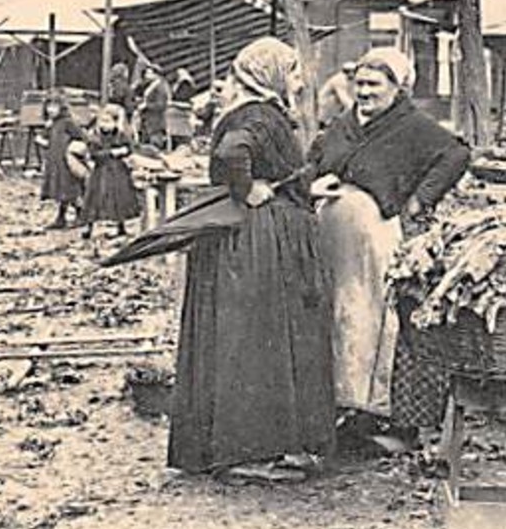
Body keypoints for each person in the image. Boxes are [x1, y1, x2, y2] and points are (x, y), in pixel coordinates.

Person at [168, 38, 334, 480]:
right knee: (258, 341)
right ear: (269, 73)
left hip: (254, 238)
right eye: (293, 72)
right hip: (258, 244)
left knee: (257, 338)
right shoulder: (259, 114)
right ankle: (250, 451)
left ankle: (256, 444)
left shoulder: (250, 110)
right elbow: (232, 153)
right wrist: (249, 188)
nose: (298, 82)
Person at [308, 48, 470, 448]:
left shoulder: (414, 126)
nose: (363, 92)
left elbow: (456, 155)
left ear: (397, 89)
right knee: (336, 314)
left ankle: (373, 408)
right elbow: (315, 159)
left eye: (373, 85)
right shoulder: (344, 124)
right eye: (359, 83)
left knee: (370, 316)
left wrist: (419, 200)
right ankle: (342, 404)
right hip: (331, 236)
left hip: (375, 238)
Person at [80, 105, 140, 239]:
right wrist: (111, 153)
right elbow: (93, 154)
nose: (104, 125)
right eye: (102, 121)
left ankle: (121, 225)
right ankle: (88, 226)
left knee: (119, 198)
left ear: (115, 122)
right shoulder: (95, 136)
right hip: (101, 171)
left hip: (118, 171)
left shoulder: (120, 135)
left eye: (108, 121)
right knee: (94, 200)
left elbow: (130, 147)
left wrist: (125, 151)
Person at [38, 92, 84, 230]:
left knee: (69, 189)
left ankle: (81, 214)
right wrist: (43, 139)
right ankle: (61, 217)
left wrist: (72, 149)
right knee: (60, 190)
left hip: (66, 162)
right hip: (55, 163)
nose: (51, 109)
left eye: (54, 106)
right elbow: (45, 138)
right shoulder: (52, 124)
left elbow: (81, 137)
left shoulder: (68, 122)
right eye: (48, 106)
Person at [136, 66, 172, 149]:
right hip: (149, 120)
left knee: (155, 144)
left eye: (149, 73)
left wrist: (146, 105)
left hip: (156, 121)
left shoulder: (161, 86)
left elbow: (161, 104)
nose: (146, 75)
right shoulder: (154, 85)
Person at [316, 62, 358, 129]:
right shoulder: (340, 80)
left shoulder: (351, 80)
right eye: (348, 71)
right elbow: (344, 98)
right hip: (327, 106)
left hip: (336, 105)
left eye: (354, 71)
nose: (351, 74)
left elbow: (352, 95)